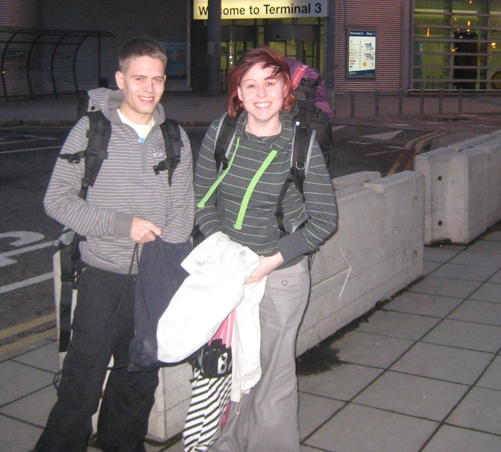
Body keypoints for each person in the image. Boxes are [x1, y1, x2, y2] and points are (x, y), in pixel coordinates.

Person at [35, 36, 194, 452]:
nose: (148, 88)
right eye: (139, 78)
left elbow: (183, 210)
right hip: (102, 276)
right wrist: (124, 225)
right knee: (81, 379)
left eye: (157, 79)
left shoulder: (175, 137)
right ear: (121, 79)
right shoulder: (91, 130)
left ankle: (121, 445)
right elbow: (57, 200)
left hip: (152, 280)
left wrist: (162, 256)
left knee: (139, 376)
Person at [194, 45, 338, 451]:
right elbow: (202, 199)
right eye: (249, 84)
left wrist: (267, 263)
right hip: (227, 275)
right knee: (228, 371)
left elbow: (324, 220)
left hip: (280, 278)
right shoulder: (221, 132)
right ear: (237, 92)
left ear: (285, 90)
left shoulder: (301, 144)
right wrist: (225, 252)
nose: (260, 93)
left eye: (270, 83)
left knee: (272, 378)